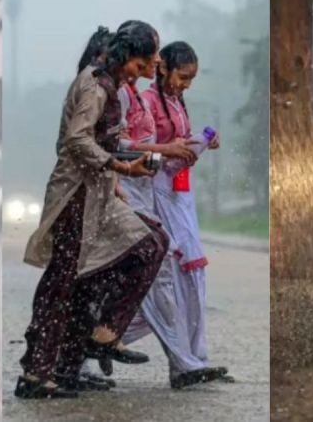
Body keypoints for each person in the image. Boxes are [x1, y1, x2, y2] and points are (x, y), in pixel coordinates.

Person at [16, 20, 169, 399]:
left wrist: (121, 169)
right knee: (62, 282)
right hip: (75, 197)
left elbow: (103, 141)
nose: (143, 73)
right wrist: (120, 167)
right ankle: (36, 373)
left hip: (100, 193)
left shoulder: (112, 86)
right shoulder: (96, 85)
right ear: (122, 56)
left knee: (149, 243)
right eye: (140, 64)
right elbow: (76, 140)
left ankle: (97, 339)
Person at [121, 41, 228, 389]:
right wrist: (170, 150)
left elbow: (178, 143)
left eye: (191, 79)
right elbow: (133, 148)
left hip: (180, 193)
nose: (186, 85)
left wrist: (200, 141)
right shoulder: (146, 102)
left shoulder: (176, 101)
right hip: (155, 194)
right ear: (162, 66)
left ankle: (193, 359)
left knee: (190, 279)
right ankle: (181, 361)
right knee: (169, 278)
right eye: (183, 77)